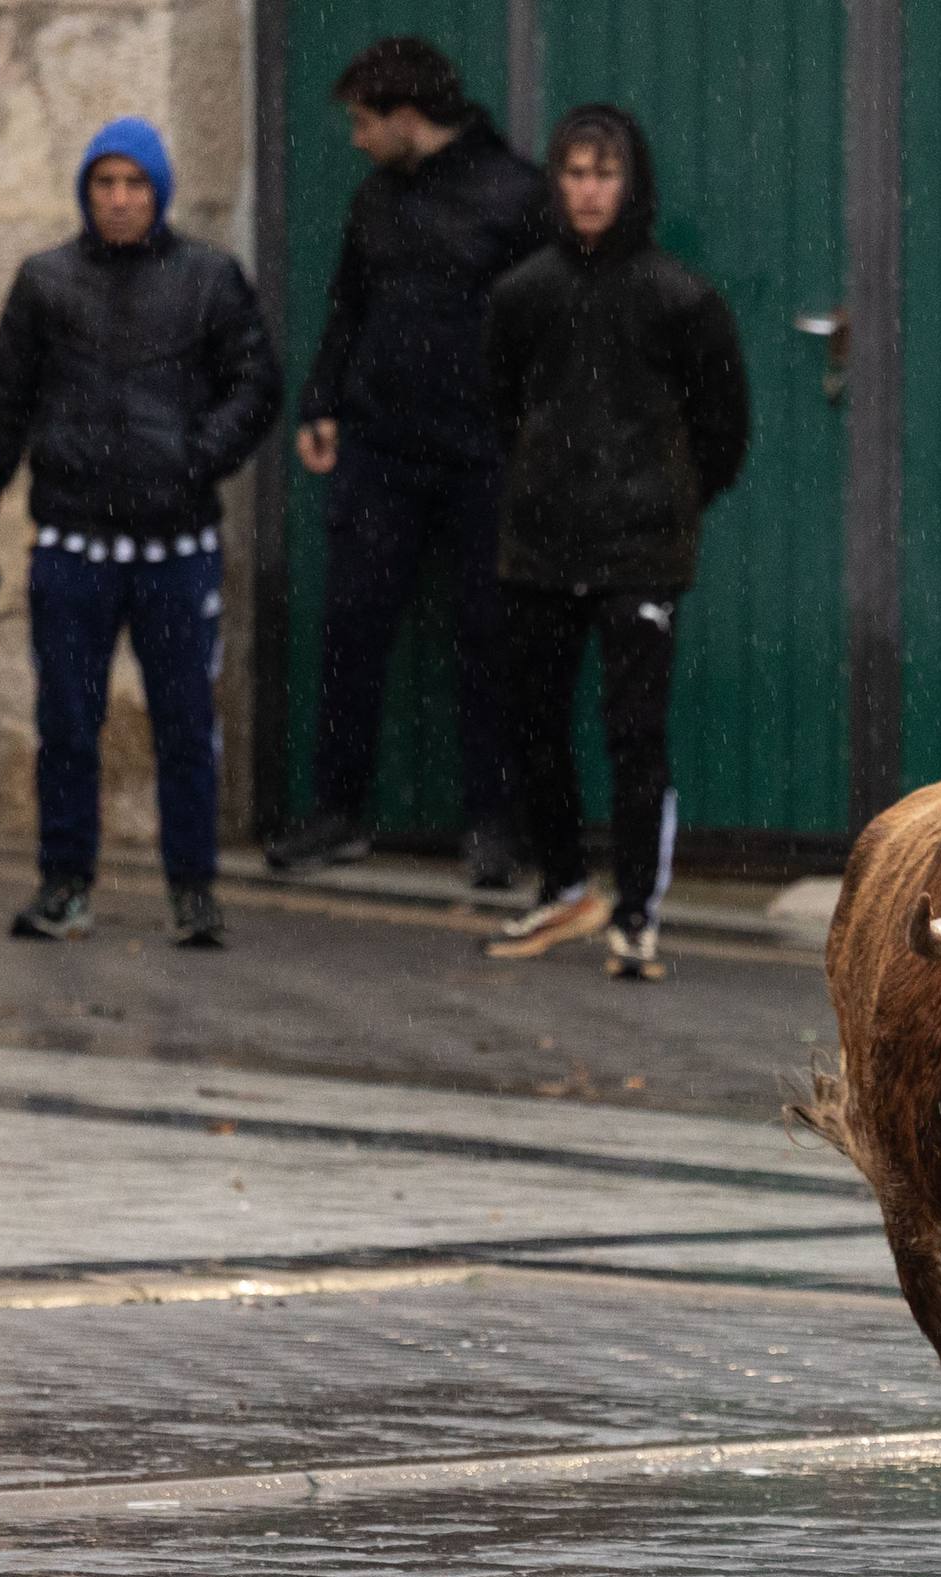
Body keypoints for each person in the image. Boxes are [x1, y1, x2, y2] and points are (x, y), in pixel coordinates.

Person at [0, 117, 280, 949]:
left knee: (184, 730)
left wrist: (197, 458)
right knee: (65, 723)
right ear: (84, 191)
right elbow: (3, 404)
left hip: (177, 550)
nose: (120, 200)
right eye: (105, 183)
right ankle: (63, 885)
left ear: (158, 191)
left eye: (135, 184)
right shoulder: (44, 282)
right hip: (72, 547)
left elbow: (256, 383)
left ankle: (193, 891)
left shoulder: (209, 279)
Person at [481, 103, 748, 983]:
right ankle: (565, 885)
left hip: (641, 553)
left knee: (635, 735)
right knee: (534, 722)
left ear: (630, 185)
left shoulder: (682, 299)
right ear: (555, 184)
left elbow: (723, 429)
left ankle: (636, 913)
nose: (589, 190)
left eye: (604, 173)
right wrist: (543, 489)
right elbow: (500, 408)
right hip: (542, 548)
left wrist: (666, 502)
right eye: (574, 172)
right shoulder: (522, 296)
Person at [271, 36, 547, 885]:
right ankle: (337, 813)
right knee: (352, 630)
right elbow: (348, 308)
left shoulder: (514, 195)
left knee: (488, 641)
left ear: (405, 116)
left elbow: (544, 331)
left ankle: (495, 827)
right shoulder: (375, 200)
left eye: (362, 121)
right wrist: (320, 401)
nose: (355, 138)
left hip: (481, 459)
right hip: (383, 453)